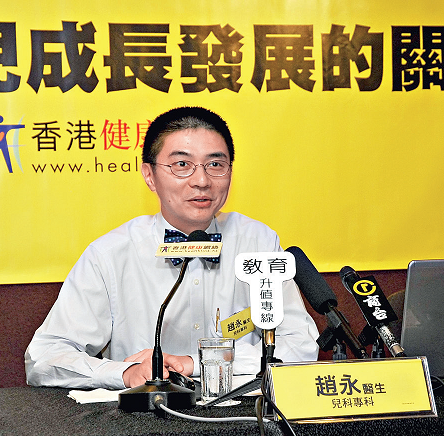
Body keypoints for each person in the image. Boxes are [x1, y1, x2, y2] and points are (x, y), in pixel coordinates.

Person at [25, 106, 319, 390]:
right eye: (181, 165)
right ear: (149, 175)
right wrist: (125, 373)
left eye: (215, 165)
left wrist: (195, 363)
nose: (201, 181)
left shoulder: (258, 242)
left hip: (242, 413)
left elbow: (300, 345)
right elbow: (44, 357)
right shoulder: (110, 254)